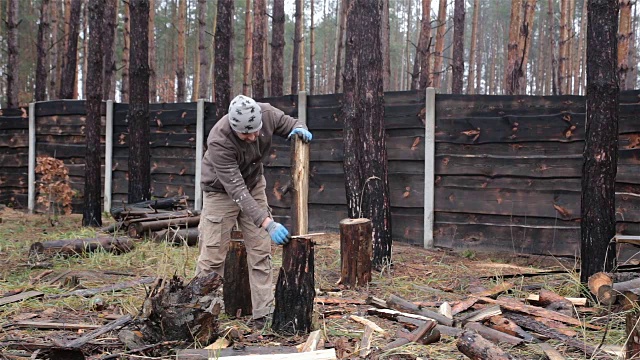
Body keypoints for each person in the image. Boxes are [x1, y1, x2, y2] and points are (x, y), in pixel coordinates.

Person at [197, 94, 312, 326]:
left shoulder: (267, 114)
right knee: (212, 257)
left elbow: (291, 123)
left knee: (261, 252)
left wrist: (300, 128)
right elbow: (237, 192)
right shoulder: (219, 140)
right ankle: (200, 314)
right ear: (232, 126)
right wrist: (268, 223)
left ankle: (264, 314)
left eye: (254, 131)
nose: (251, 138)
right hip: (221, 191)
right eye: (244, 134)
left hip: (252, 183)